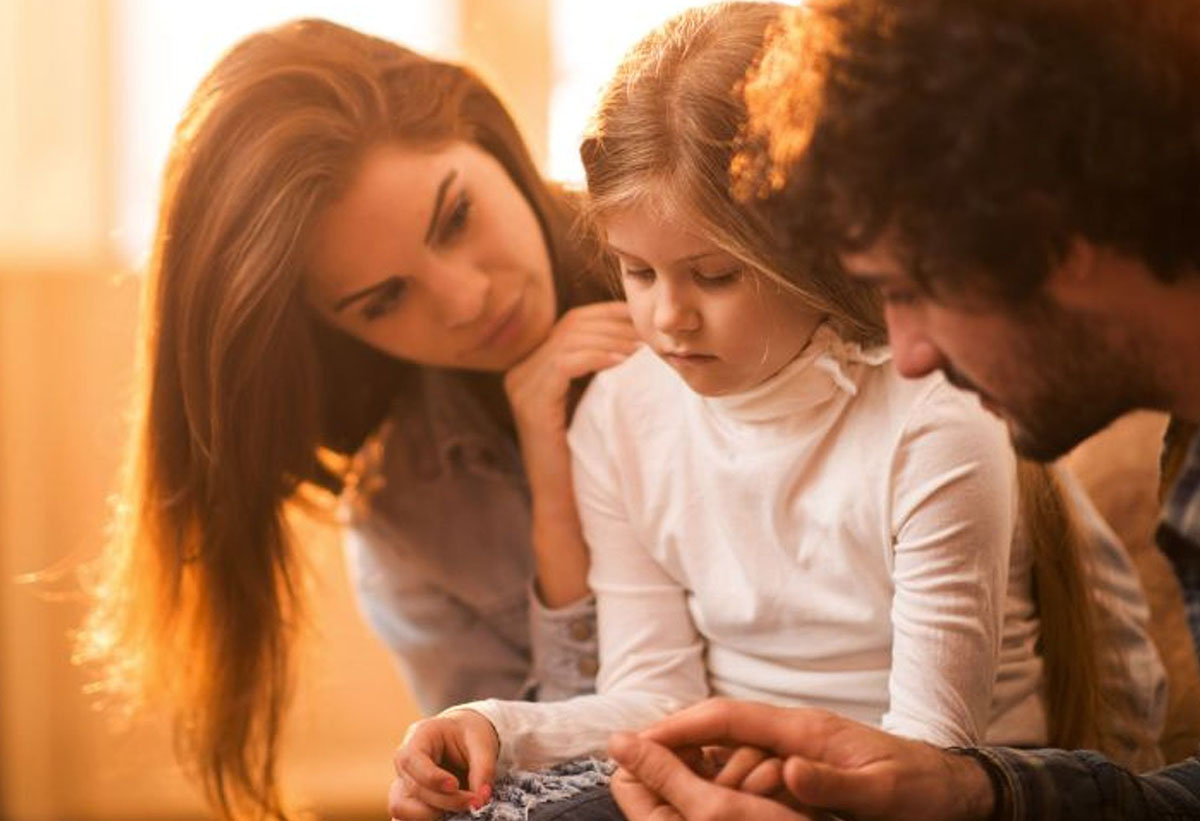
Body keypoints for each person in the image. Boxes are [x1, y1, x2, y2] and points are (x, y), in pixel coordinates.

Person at [386, 4, 1156, 818]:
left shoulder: (936, 415)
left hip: (923, 780)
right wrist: (491, 725)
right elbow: (653, 694)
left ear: (818, 246)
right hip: (731, 778)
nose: (668, 318)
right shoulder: (617, 414)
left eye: (714, 275)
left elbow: (929, 757)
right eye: (637, 272)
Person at [605, 0, 1200, 818]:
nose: (909, 352)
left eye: (910, 289)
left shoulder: (931, 420)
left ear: (1049, 232)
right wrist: (974, 789)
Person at [73, 19, 641, 821]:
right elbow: (543, 783)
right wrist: (554, 496)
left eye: (455, 217)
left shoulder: (714, 267)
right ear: (337, 334)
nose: (467, 298)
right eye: (384, 299)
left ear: (482, 132)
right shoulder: (405, 516)